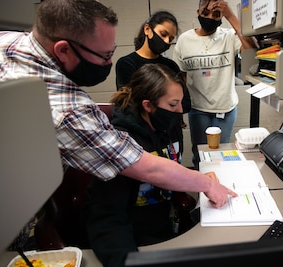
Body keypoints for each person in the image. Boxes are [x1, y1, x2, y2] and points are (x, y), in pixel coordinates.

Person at [0, 0, 236, 253]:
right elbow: (138, 168)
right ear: (63, 50)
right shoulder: (67, 110)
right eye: (104, 56)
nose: (109, 62)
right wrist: (206, 184)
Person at [87, 63, 196, 267]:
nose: (180, 111)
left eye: (181, 103)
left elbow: (172, 171)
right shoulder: (119, 145)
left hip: (164, 227)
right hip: (135, 239)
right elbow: (108, 219)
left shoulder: (167, 127)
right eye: (173, 105)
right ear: (148, 105)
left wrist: (199, 180)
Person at [173, 0, 258, 169]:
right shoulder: (184, 40)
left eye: (216, 14)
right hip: (198, 109)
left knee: (219, 156)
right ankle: (201, 193)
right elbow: (179, 77)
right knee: (199, 155)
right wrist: (179, 109)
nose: (210, 17)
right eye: (206, 13)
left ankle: (216, 191)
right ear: (198, 12)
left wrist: (230, 15)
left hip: (225, 109)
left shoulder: (228, 36)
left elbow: (252, 51)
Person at [116, 10, 191, 114]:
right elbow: (129, 105)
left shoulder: (171, 66)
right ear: (147, 29)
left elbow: (186, 104)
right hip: (141, 129)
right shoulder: (127, 64)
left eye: (171, 38)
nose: (166, 41)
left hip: (171, 128)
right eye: (163, 34)